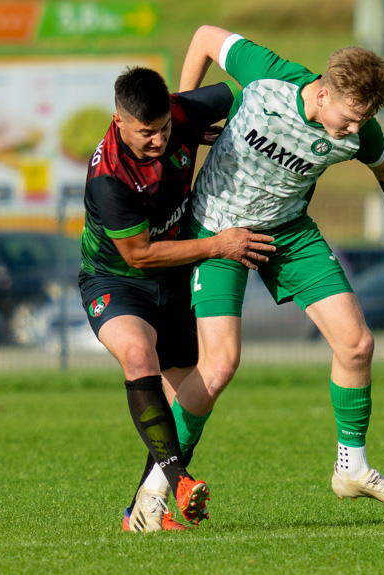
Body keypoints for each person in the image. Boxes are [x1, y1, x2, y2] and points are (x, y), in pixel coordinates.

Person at [136, 25, 384, 513]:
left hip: (287, 230)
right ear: (324, 91)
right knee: (219, 365)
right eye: (350, 119)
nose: (355, 131)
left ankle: (351, 468)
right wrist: (187, 113)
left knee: (357, 344)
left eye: (364, 121)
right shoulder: (269, 76)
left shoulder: (361, 130)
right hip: (219, 228)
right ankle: (156, 492)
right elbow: (204, 36)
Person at [78, 66, 276, 532]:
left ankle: (142, 511)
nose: (158, 140)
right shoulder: (110, 178)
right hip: (117, 280)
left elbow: (253, 89)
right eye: (147, 133)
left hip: (174, 279)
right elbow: (140, 253)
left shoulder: (181, 112)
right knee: (136, 353)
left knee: (195, 395)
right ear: (119, 121)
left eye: (165, 127)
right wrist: (222, 244)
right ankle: (180, 481)